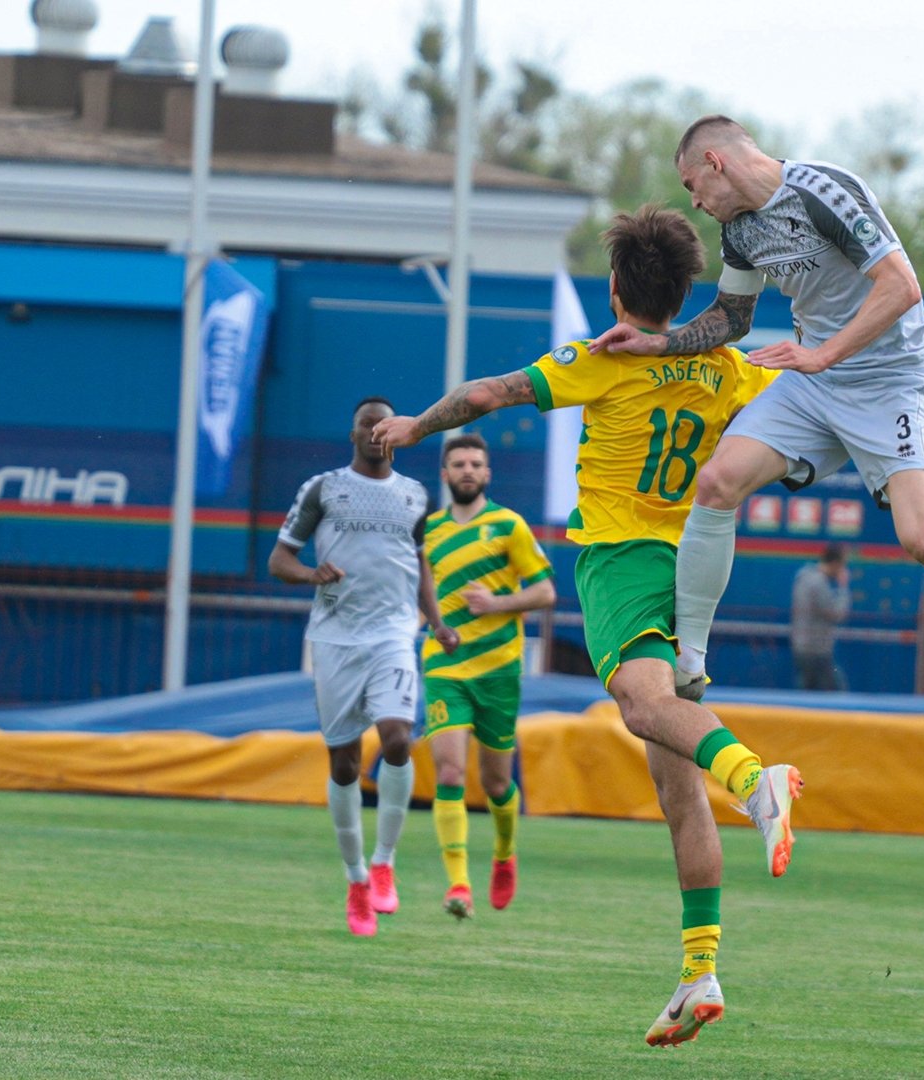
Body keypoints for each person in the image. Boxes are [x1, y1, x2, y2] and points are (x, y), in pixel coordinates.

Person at [373, 205, 801, 1048]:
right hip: (694, 569)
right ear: (683, 294)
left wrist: (412, 427)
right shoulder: (727, 366)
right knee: (674, 782)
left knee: (642, 706)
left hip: (624, 562)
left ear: (614, 289)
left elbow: (488, 394)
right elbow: (797, 405)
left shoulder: (603, 359)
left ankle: (757, 780)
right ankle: (699, 971)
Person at [591, 115, 924, 705]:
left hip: (892, 379)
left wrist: (823, 355)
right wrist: (657, 342)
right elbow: (732, 320)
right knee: (716, 482)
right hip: (815, 381)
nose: (694, 201)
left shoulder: (823, 191)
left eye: (693, 185)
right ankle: (689, 658)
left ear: (716, 163)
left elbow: (901, 287)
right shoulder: (740, 231)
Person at [268, 397, 459, 938]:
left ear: (398, 434)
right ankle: (354, 878)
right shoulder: (322, 488)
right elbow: (279, 559)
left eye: (385, 424)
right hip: (334, 638)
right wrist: (311, 575)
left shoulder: (415, 495)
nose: (377, 431)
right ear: (352, 433)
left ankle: (384, 863)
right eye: (367, 424)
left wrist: (436, 621)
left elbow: (418, 562)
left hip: (395, 634)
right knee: (345, 764)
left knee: (398, 738)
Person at [421, 432, 557, 920]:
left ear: (488, 473)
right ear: (444, 473)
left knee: (497, 783)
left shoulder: (508, 526)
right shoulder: (428, 532)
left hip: (499, 669)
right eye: (458, 463)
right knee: (451, 772)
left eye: (475, 463)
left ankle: (503, 855)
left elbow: (544, 593)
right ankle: (458, 884)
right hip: (445, 665)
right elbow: (416, 592)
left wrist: (496, 603)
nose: (467, 471)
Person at [791, 542, 850, 691]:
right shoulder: (818, 583)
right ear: (835, 563)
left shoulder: (804, 577)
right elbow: (836, 614)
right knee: (836, 692)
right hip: (816, 650)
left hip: (802, 645)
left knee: (807, 690)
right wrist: (843, 588)